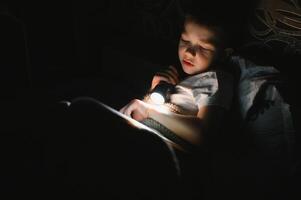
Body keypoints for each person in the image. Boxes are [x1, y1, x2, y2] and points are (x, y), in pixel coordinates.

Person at [120, 13, 234, 152]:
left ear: (224, 54)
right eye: (185, 40)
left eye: (204, 48)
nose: (189, 52)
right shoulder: (189, 79)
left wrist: (148, 110)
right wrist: (155, 89)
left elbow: (203, 135)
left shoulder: (216, 79)